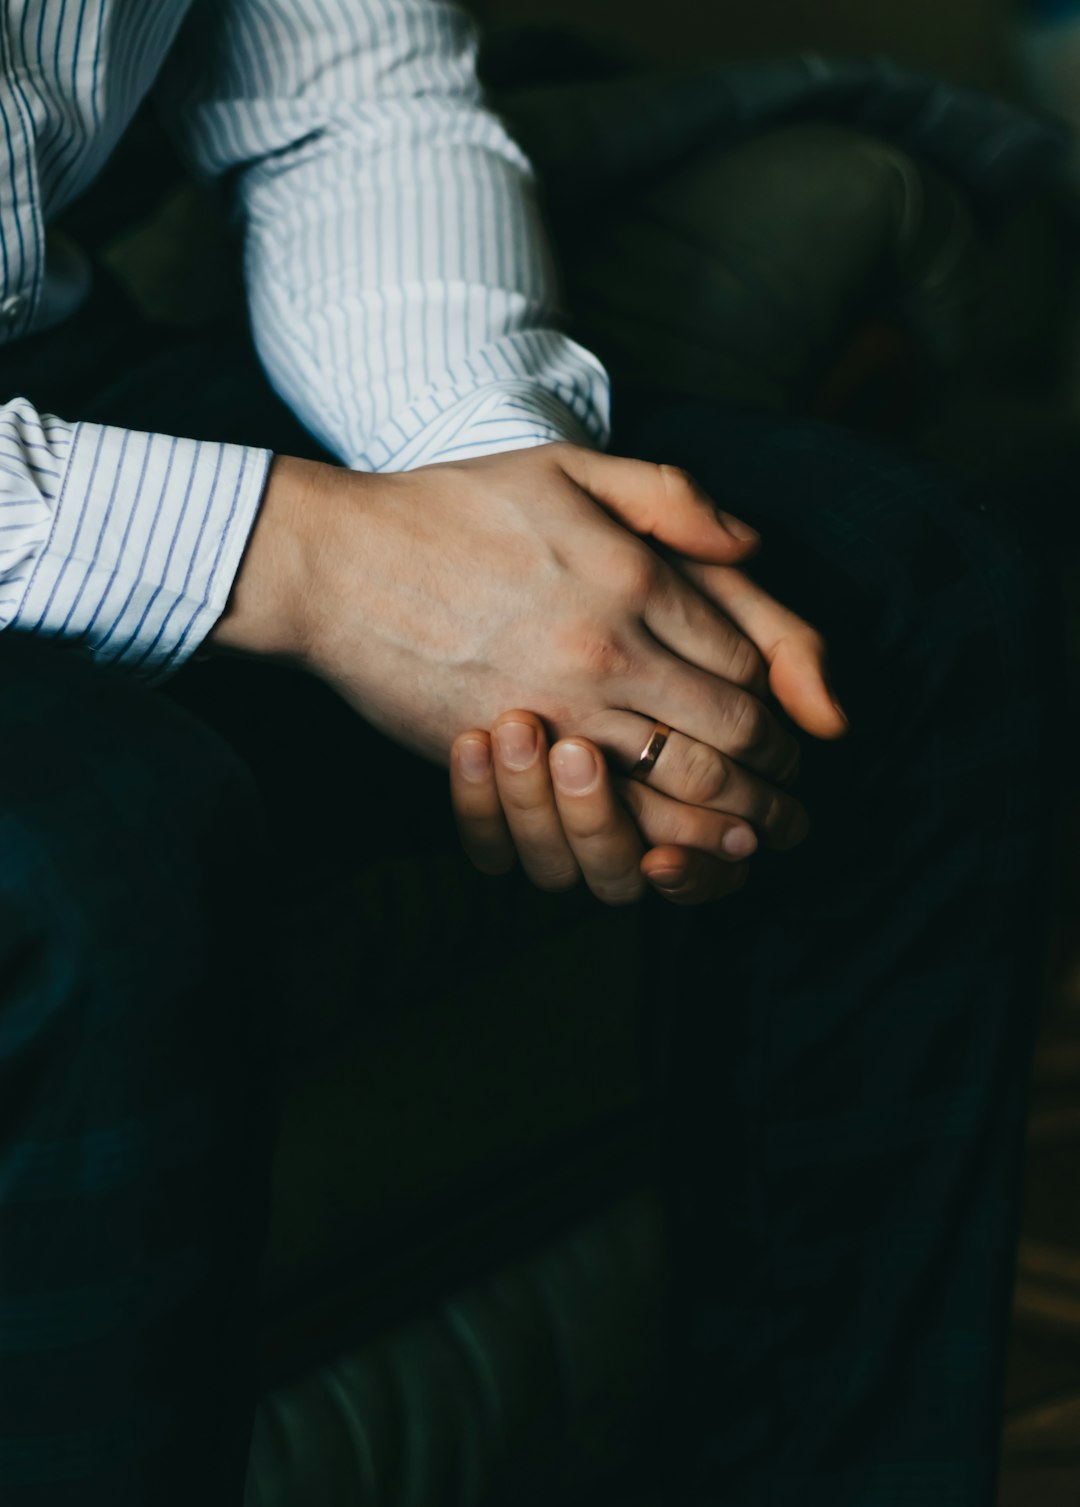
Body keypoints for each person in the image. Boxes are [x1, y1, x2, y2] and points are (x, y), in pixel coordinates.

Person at [0, 1, 1054, 1504]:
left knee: (895, 607)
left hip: (44, 360)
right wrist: (318, 567)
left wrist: (499, 510)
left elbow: (343, 94)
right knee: (89, 862)